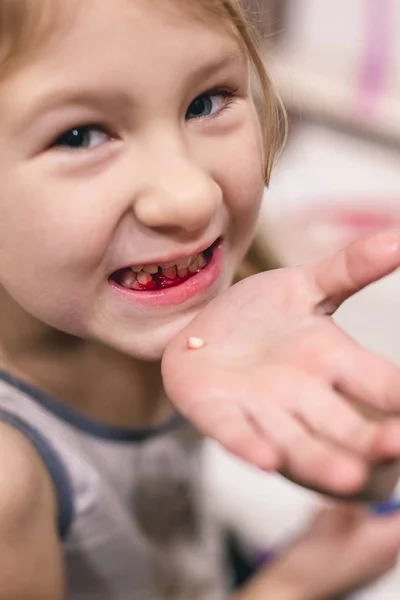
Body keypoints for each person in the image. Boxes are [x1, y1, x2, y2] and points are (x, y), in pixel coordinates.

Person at [1, 0, 400, 598]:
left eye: (206, 101)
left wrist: (367, 461)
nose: (190, 196)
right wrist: (290, 588)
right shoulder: (9, 482)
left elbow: (352, 447)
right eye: (79, 135)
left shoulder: (172, 284)